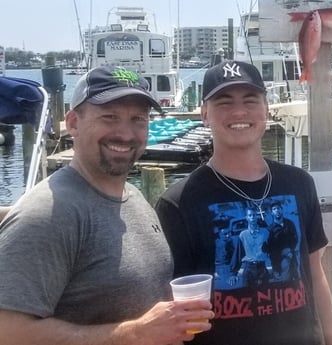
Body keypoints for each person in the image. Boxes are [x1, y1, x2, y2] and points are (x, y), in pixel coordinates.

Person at [0, 66, 213, 344]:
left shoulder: (133, 197)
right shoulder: (49, 214)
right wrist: (136, 333)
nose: (125, 134)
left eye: (138, 119)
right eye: (109, 117)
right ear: (73, 122)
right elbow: (8, 331)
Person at [155, 60, 332, 345]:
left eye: (250, 100)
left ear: (266, 110)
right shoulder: (177, 203)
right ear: (205, 114)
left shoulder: (300, 184)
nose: (239, 112)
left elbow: (316, 275)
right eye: (224, 102)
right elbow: (173, 309)